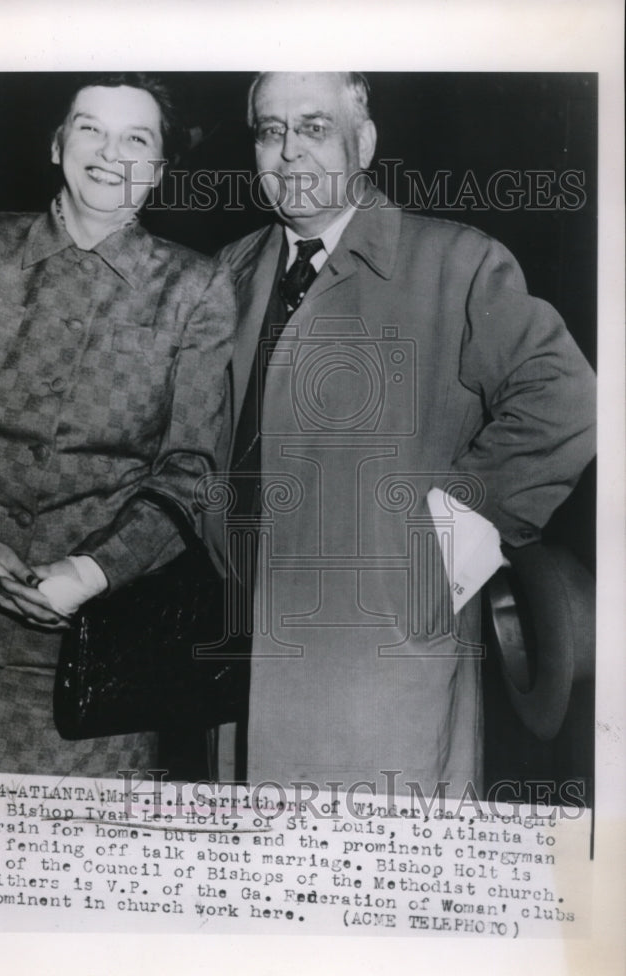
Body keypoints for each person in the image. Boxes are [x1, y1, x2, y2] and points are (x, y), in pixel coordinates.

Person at [204, 72, 596, 796]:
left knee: (372, 886)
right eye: (269, 129)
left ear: (365, 140)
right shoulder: (225, 275)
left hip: (380, 667)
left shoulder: (454, 262)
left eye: (314, 127)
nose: (289, 151)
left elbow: (566, 396)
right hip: (242, 659)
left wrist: (450, 541)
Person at [0, 74, 235, 778]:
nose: (109, 151)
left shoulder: (196, 288)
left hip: (101, 648)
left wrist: (89, 571)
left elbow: (190, 473)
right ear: (55, 143)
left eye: (136, 137)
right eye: (89, 127)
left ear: (161, 167)